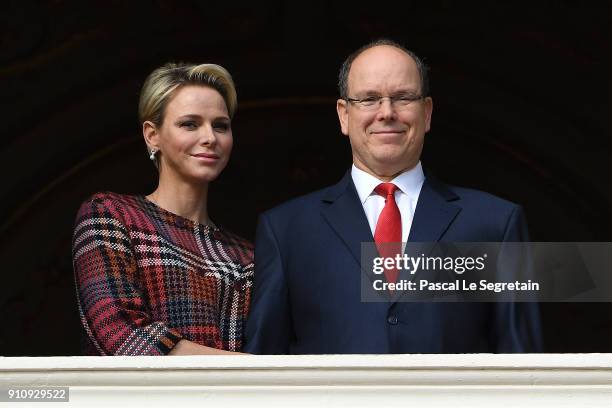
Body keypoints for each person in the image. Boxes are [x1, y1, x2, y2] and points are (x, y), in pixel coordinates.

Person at [245, 39, 543, 354]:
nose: (387, 113)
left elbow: (523, 363)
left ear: (427, 113)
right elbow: (263, 363)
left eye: (403, 98)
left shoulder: (496, 224)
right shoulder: (286, 229)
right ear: (344, 115)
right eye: (369, 99)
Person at [73, 62, 253, 355]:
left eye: (221, 125)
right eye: (189, 124)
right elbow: (119, 333)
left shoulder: (248, 256)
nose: (210, 137)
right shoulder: (111, 214)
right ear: (152, 135)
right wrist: (249, 368)